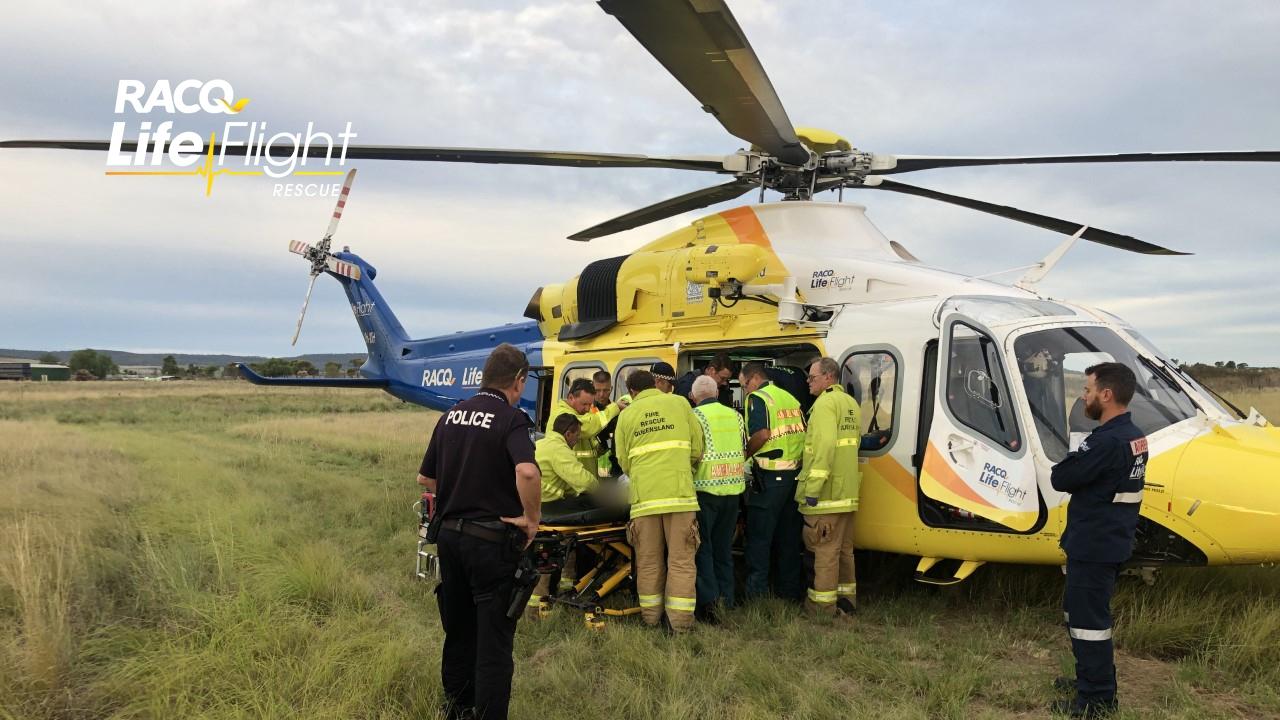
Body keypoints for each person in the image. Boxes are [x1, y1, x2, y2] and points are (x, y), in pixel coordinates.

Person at [416, 343, 541, 720]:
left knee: (458, 633)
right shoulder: (511, 418)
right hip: (491, 545)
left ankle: (456, 708)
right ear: (518, 381)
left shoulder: (451, 416)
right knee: (494, 643)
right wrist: (532, 519)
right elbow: (528, 471)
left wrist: (461, 491)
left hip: (450, 540)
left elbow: (425, 478)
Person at [1049, 362, 1147, 718]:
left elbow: (1062, 477)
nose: (1084, 396)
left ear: (1106, 395)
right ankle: (1088, 681)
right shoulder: (1134, 435)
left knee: (1089, 625)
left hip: (1094, 546)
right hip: (1109, 540)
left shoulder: (1106, 441)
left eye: (1088, 390)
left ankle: (1097, 700)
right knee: (1080, 615)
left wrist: (1076, 454)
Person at [615, 369, 705, 632]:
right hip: (679, 497)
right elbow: (697, 448)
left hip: (644, 500)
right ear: (655, 384)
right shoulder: (679, 403)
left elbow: (623, 460)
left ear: (632, 392)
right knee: (681, 561)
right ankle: (680, 625)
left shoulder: (627, 415)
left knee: (648, 562)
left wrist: (643, 474)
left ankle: (651, 620)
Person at [797, 357, 862, 616]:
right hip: (847, 493)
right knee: (845, 551)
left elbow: (823, 448)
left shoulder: (824, 405)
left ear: (828, 377)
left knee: (823, 551)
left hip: (825, 495)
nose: (808, 382)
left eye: (812, 378)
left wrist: (812, 488)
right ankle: (847, 602)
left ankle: (821, 607)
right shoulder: (850, 404)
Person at [738, 361, 806, 602]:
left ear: (754, 379)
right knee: (788, 538)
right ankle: (789, 593)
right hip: (793, 477)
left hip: (769, 477)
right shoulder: (789, 398)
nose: (745, 390)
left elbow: (763, 434)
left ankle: (756, 596)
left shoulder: (758, 398)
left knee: (759, 538)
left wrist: (744, 454)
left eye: (744, 385)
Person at [527, 413, 601, 616]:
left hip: (536, 506)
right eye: (577, 436)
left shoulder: (543, 443)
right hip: (548, 510)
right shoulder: (559, 448)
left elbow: (562, 483)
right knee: (553, 554)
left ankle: (563, 590)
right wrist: (601, 490)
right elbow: (583, 481)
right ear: (568, 433)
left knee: (562, 547)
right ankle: (537, 607)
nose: (577, 441)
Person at [690, 374, 746, 624]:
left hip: (704, 491)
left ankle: (710, 607)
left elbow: (692, 454)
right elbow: (744, 449)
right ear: (716, 393)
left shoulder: (695, 417)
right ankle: (728, 600)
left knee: (703, 549)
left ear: (693, 397)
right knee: (725, 549)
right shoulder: (735, 415)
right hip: (733, 491)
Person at [546, 377, 622, 478]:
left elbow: (585, 443)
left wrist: (599, 447)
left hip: (582, 481)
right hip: (571, 483)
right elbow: (588, 426)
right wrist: (615, 407)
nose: (587, 408)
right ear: (571, 397)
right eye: (584, 404)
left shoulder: (579, 413)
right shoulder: (562, 415)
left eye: (590, 404)